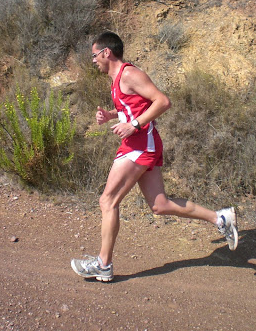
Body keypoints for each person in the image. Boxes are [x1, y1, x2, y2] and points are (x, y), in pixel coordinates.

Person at [71, 31, 238, 282]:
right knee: (160, 205)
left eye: (94, 55)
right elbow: (134, 106)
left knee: (107, 201)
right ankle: (220, 217)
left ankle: (103, 264)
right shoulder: (118, 79)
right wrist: (111, 115)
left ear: (107, 52)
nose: (93, 60)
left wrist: (134, 125)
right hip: (139, 143)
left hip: (140, 144)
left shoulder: (129, 73)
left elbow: (162, 101)